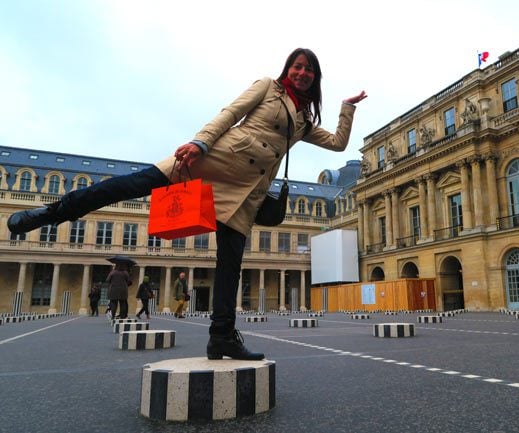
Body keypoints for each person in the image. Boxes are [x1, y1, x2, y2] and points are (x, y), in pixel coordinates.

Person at [7, 47, 367, 361]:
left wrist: (346, 109)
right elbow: (230, 113)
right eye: (297, 66)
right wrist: (201, 142)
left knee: (231, 262)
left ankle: (222, 337)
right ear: (287, 69)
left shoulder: (302, 121)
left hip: (247, 189)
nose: (302, 73)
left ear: (315, 77)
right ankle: (48, 214)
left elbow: (337, 143)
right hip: (218, 158)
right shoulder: (267, 87)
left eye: (309, 69)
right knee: (132, 184)